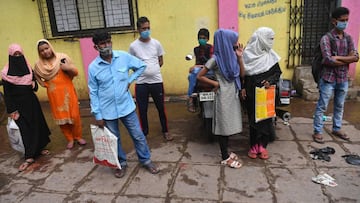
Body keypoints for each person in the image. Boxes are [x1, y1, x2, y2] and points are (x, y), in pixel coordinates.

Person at [88, 31, 160, 178]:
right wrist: (97, 114)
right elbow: (93, 92)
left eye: (108, 41)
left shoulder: (123, 57)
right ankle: (121, 163)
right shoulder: (93, 67)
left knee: (138, 135)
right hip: (107, 111)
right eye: (102, 43)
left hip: (126, 107)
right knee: (114, 140)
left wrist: (130, 79)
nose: (106, 45)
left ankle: (145, 160)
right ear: (96, 47)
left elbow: (141, 66)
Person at [197, 29, 245, 169]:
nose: (235, 43)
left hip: (233, 94)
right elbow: (200, 76)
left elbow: (242, 74)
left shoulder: (232, 56)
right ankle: (224, 157)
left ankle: (226, 153)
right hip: (223, 95)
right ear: (225, 42)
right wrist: (215, 84)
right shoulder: (216, 59)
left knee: (229, 124)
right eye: (233, 41)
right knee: (223, 126)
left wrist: (240, 58)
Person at [1, 43, 51, 172]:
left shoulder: (28, 68)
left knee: (37, 126)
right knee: (25, 129)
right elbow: (8, 94)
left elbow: (34, 88)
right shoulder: (6, 73)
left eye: (19, 54)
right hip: (18, 106)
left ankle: (39, 149)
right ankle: (29, 156)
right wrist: (12, 110)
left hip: (32, 103)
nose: (18, 57)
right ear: (10, 56)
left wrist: (33, 83)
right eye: (15, 55)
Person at [312, 7, 359, 143]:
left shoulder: (349, 38)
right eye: (341, 20)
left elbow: (356, 57)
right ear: (334, 21)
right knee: (322, 105)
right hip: (328, 78)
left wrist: (337, 58)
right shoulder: (326, 38)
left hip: (343, 78)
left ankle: (337, 128)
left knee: (340, 104)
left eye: (346, 20)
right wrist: (346, 58)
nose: (344, 23)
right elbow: (327, 60)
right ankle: (318, 131)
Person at [34, 39, 86, 149]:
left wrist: (68, 68)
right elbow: (36, 75)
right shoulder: (39, 65)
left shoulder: (62, 58)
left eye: (46, 48)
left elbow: (75, 72)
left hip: (68, 92)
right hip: (54, 95)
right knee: (61, 118)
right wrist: (42, 83)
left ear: (51, 47)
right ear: (39, 52)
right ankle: (70, 139)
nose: (45, 52)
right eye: (42, 50)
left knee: (74, 116)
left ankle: (78, 136)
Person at [129, 16, 173, 141]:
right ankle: (144, 133)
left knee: (161, 108)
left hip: (156, 81)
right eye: (144, 28)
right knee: (142, 110)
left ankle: (165, 131)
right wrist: (142, 72)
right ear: (138, 29)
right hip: (141, 83)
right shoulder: (133, 46)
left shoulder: (156, 43)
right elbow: (131, 63)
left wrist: (152, 70)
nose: (146, 30)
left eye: (148, 28)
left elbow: (161, 60)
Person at [241, 27, 282, 160]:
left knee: (265, 120)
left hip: (266, 94)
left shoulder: (270, 55)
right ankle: (253, 146)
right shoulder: (246, 55)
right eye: (270, 39)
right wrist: (243, 88)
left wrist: (269, 81)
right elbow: (242, 75)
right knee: (253, 120)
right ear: (261, 39)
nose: (271, 42)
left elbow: (277, 73)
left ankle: (262, 146)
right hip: (251, 93)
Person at [186, 28, 214, 113]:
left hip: (210, 70)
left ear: (207, 39)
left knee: (194, 72)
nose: (202, 40)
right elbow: (191, 57)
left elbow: (212, 62)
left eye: (204, 38)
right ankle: (192, 98)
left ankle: (191, 96)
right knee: (191, 76)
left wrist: (197, 67)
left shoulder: (211, 49)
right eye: (200, 38)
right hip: (199, 71)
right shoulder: (196, 49)